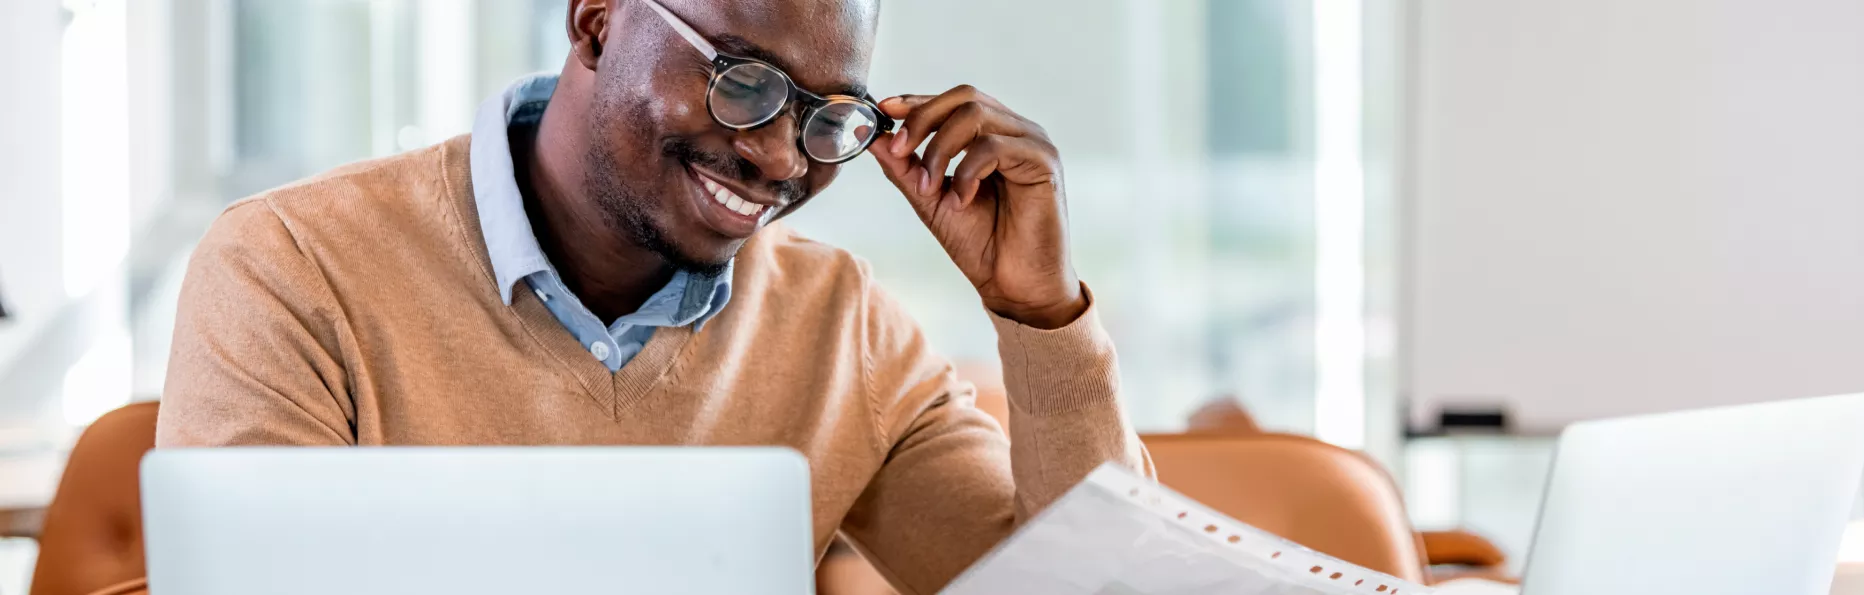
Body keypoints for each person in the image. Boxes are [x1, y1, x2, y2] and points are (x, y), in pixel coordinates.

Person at [158, 0, 1149, 591]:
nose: (775, 156)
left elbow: (1091, 589)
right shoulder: (290, 266)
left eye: (824, 117)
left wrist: (1042, 311)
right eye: (743, 80)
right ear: (597, 20)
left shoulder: (844, 329)